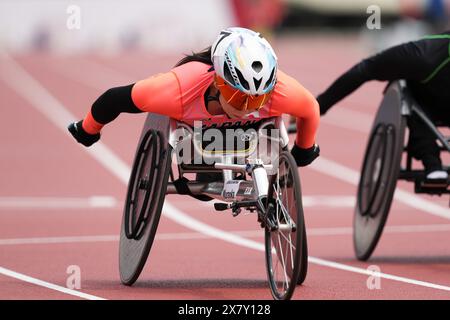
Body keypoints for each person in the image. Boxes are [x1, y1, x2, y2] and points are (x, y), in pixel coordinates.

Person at [68, 27, 320, 168]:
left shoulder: (278, 91)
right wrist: (87, 129)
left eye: (255, 100)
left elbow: (310, 109)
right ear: (217, 80)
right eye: (237, 95)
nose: (244, 107)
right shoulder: (177, 89)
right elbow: (113, 99)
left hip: (252, 139)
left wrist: (303, 151)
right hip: (195, 132)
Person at [317, 31, 450, 183]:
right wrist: (318, 107)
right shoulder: (424, 55)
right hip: (427, 104)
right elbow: (366, 69)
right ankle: (432, 162)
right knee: (409, 91)